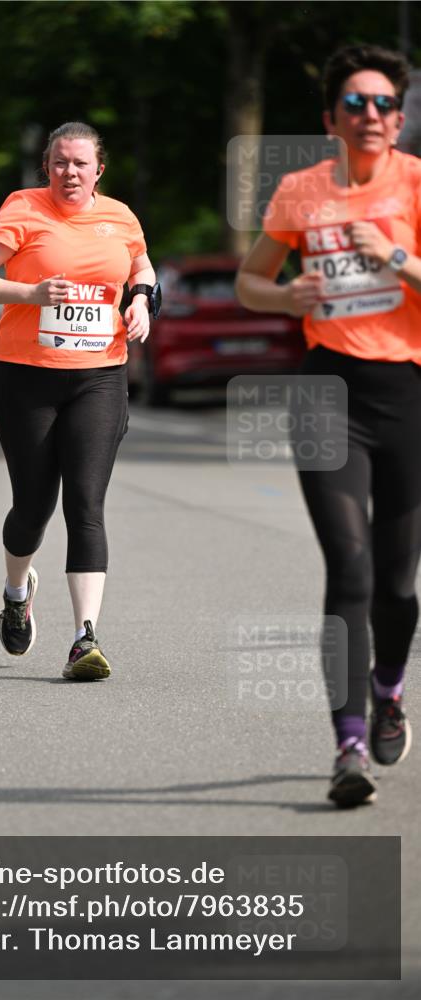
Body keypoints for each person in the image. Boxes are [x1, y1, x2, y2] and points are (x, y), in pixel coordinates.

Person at [236, 44, 421, 807]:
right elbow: (251, 281)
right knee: (346, 568)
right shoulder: (299, 192)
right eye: (354, 103)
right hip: (325, 393)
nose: (368, 115)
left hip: (408, 394)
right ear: (330, 119)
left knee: (397, 584)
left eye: (381, 104)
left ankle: (386, 688)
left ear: (399, 119)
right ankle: (347, 746)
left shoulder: (417, 185)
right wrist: (289, 296)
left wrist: (399, 257)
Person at [0, 121, 159, 679]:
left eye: (81, 164)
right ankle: (16, 591)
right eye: (61, 163)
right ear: (47, 167)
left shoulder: (120, 217)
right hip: (26, 377)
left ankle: (84, 639)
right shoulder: (22, 208)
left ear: (99, 169)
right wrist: (30, 292)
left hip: (100, 376)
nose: (71, 173)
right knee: (32, 507)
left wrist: (142, 301)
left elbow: (142, 268)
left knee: (86, 504)